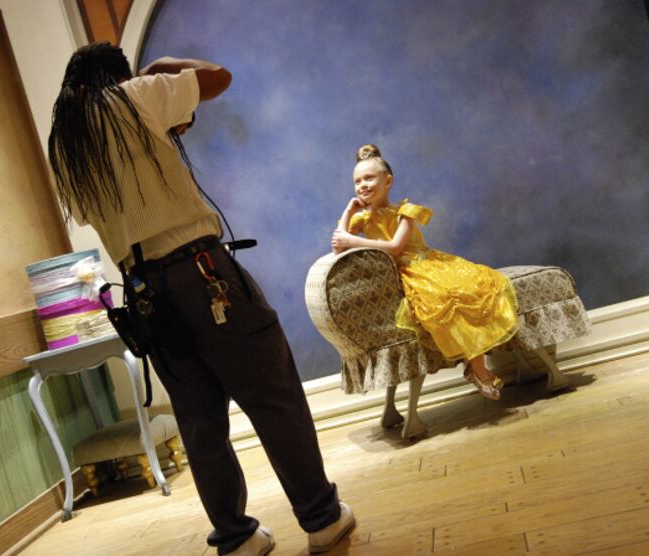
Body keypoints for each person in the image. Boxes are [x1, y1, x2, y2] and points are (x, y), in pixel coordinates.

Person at [48, 42, 354, 556]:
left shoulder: (67, 145)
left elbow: (96, 205)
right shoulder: (135, 96)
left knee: (198, 419)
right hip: (201, 270)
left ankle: (236, 538)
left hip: (145, 296)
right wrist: (160, 69)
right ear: (117, 78)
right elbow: (218, 76)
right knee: (272, 393)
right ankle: (321, 517)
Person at [332, 144, 520, 415]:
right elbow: (338, 245)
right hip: (406, 275)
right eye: (357, 181)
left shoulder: (405, 212)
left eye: (369, 178)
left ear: (388, 181)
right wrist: (347, 214)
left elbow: (397, 247)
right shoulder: (361, 218)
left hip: (425, 265)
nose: (362, 185)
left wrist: (354, 239)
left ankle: (477, 367)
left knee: (463, 291)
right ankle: (477, 368)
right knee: (440, 300)